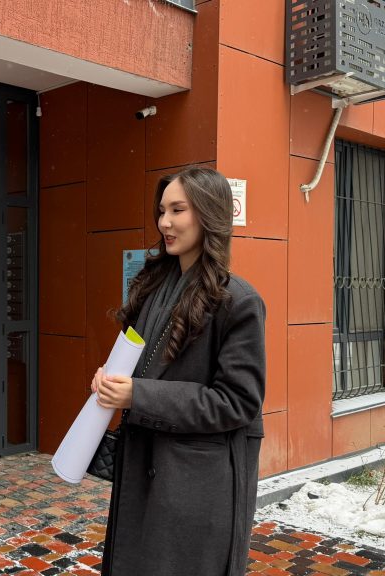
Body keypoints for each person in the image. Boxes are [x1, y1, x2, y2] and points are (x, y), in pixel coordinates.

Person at [92, 167, 266, 576]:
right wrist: (110, 378)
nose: (164, 223)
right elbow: (139, 362)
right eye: (161, 211)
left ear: (208, 213)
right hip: (143, 470)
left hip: (194, 486)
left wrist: (138, 394)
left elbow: (238, 402)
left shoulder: (238, 301)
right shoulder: (154, 287)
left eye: (177, 210)